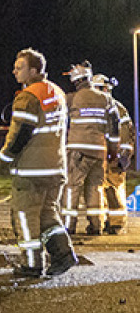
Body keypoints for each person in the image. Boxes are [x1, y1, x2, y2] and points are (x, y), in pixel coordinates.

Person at [0, 48, 76, 277]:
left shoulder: (28, 96)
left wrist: (1, 161)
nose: (14, 72)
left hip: (31, 170)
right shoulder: (57, 93)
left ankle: (31, 265)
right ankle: (63, 255)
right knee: (48, 214)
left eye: (19, 68)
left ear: (34, 70)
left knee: (25, 216)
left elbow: (20, 135)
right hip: (56, 167)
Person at [63, 63, 119, 236]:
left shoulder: (71, 99)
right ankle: (96, 226)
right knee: (95, 188)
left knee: (72, 187)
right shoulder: (106, 99)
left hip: (77, 151)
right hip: (99, 151)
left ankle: (68, 226)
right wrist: (113, 150)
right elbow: (114, 126)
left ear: (75, 81)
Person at [96, 75, 134, 235]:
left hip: (114, 158)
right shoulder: (99, 108)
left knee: (114, 190)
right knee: (100, 192)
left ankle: (117, 223)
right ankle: (104, 221)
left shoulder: (118, 109)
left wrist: (123, 156)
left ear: (105, 89)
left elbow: (126, 135)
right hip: (101, 157)